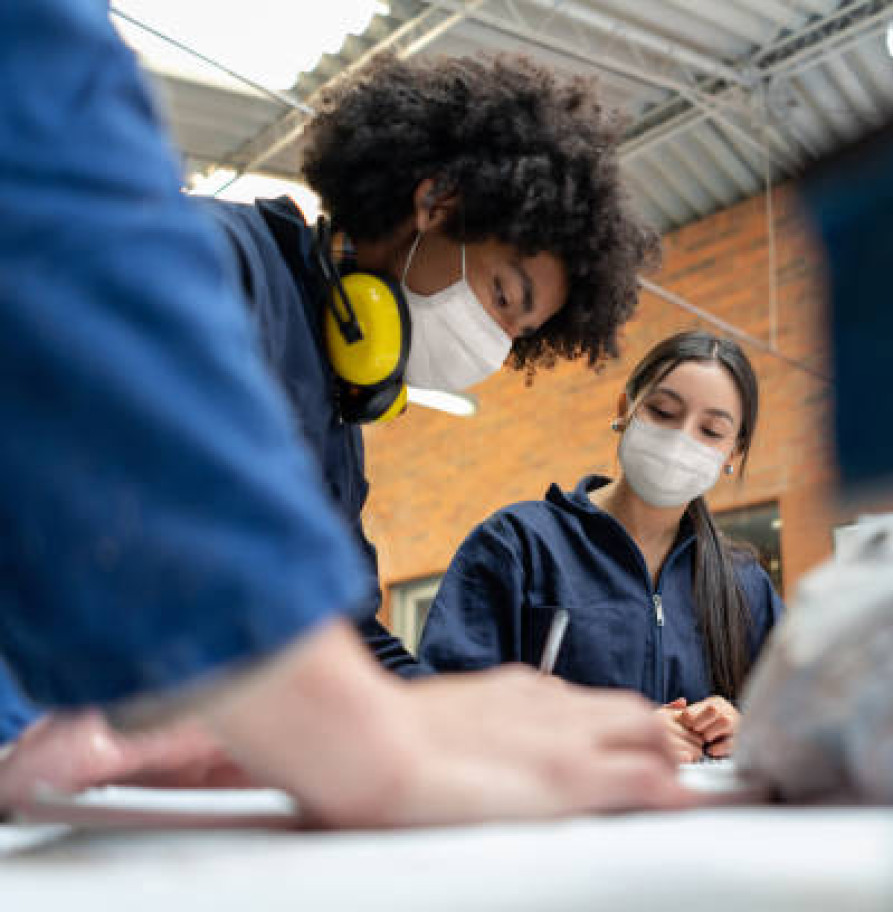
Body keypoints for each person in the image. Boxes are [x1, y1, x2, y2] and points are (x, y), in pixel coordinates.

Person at [0, 0, 686, 825]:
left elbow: (347, 630)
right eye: (504, 295)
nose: (494, 347)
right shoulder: (218, 261)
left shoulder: (339, 421)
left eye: (518, 334)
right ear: (437, 201)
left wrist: (464, 718)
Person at [419, 331, 784, 762]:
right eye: (663, 411)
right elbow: (444, 709)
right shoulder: (518, 546)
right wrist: (607, 732)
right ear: (624, 409)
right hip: (552, 823)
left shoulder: (746, 587)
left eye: (711, 430)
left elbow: (803, 721)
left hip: (698, 824)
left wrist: (746, 728)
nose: (681, 439)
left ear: (733, 455)